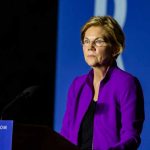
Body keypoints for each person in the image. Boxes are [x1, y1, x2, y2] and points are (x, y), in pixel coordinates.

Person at [60, 16, 145, 150]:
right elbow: (65, 134)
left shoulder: (127, 83)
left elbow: (131, 136)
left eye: (98, 41)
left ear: (116, 48)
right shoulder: (77, 85)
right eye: (86, 41)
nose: (90, 47)